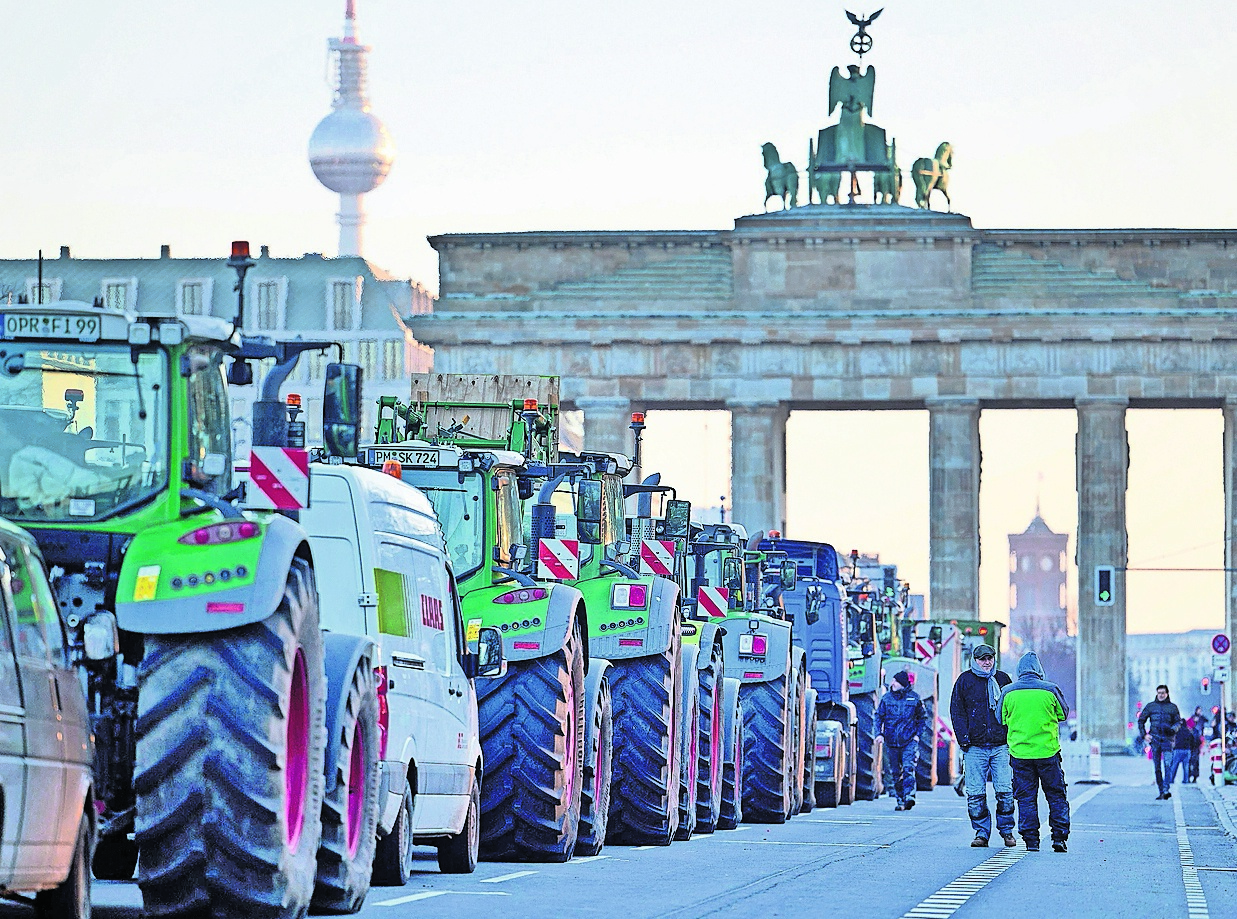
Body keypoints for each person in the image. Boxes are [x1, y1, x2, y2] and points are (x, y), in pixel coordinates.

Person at [1000, 651, 1070, 853]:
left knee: (1026, 798)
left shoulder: (1008, 691)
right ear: (1039, 670)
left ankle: (1031, 840)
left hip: (1020, 754)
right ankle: (1059, 838)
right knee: (1056, 795)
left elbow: (1000, 718)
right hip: (1048, 752)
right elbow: (1063, 714)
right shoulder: (1050, 689)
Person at [950, 643, 1016, 848]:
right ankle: (981, 832)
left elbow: (1012, 710)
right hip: (975, 746)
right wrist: (964, 739)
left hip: (1000, 745)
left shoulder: (1003, 680)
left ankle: (1007, 831)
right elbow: (957, 711)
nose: (987, 662)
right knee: (976, 792)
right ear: (975, 660)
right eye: (982, 659)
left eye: (990, 658)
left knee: (1005, 791)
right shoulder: (965, 681)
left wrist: (1010, 737)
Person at [876, 670, 927, 811]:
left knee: (908, 768)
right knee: (895, 772)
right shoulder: (886, 699)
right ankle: (901, 800)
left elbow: (922, 719)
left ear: (902, 684)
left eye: (895, 681)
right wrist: (879, 734)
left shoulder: (915, 699)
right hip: (891, 741)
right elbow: (878, 717)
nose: (892, 683)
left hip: (909, 741)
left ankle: (909, 796)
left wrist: (917, 736)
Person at [1137, 685, 1182, 799]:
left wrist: (1173, 730)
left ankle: (1166, 788)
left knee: (1168, 764)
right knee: (1157, 767)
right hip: (1155, 739)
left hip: (1167, 740)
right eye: (1159, 693)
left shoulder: (1172, 707)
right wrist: (1144, 735)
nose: (1161, 695)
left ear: (1167, 693)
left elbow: (1178, 722)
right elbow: (1141, 720)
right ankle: (1161, 790)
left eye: (1163, 693)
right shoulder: (1151, 707)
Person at [1169, 717, 1199, 788]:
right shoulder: (1188, 731)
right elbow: (1193, 741)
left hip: (1178, 749)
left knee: (1174, 765)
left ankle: (1171, 779)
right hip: (1187, 750)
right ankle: (1186, 780)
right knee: (1186, 766)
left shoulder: (1177, 731)